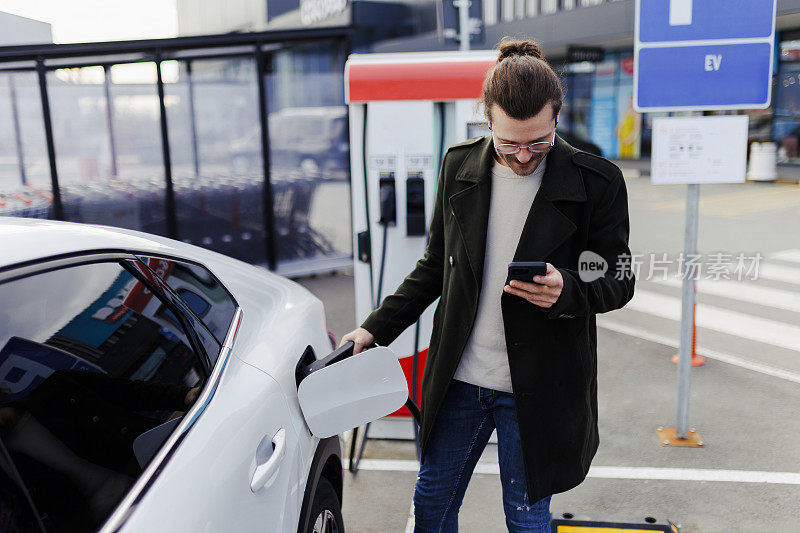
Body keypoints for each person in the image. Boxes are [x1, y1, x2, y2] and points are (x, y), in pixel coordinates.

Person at [340, 37, 635, 532]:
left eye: (539, 142)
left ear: (557, 118)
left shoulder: (597, 182)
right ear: (486, 119)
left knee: (525, 517)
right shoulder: (459, 166)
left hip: (537, 385)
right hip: (460, 377)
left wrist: (569, 288)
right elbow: (436, 264)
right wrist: (374, 329)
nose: (523, 156)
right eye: (509, 142)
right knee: (431, 506)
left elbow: (618, 278)